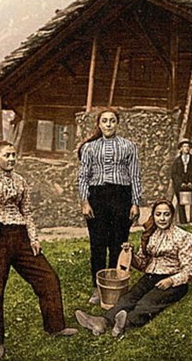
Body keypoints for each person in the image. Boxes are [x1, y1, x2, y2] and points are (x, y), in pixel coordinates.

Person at [0, 140, 76, 359]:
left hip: (20, 237)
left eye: (13, 155)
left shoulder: (20, 181)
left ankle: (55, 327)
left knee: (48, 278)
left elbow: (26, 212)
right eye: (6, 155)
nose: (11, 159)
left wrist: (33, 239)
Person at [75, 199, 192, 337]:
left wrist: (171, 281)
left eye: (166, 214)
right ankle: (102, 321)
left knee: (148, 302)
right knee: (129, 298)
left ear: (172, 216)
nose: (162, 218)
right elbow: (142, 264)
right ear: (153, 216)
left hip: (174, 282)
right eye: (158, 214)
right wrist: (130, 254)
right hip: (150, 276)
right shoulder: (151, 234)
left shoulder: (184, 237)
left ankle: (125, 323)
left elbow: (189, 270)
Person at [77, 108, 142, 305]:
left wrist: (135, 203)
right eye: (104, 121)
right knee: (98, 244)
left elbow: (135, 176)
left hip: (121, 196)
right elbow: (83, 177)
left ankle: (115, 285)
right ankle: (97, 288)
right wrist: (85, 201)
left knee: (118, 243)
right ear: (99, 124)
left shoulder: (129, 146)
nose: (108, 124)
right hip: (97, 197)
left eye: (112, 120)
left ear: (117, 123)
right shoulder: (89, 148)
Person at [170, 138, 192, 224]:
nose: (186, 148)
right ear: (181, 149)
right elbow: (174, 174)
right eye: (184, 146)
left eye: (188, 146)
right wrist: (180, 183)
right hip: (180, 186)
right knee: (181, 203)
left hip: (191, 185)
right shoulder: (177, 161)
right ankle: (183, 222)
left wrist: (191, 182)